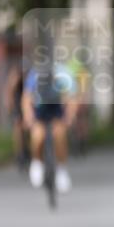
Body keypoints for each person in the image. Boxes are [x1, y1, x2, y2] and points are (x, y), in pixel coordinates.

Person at [21, 61, 79, 193]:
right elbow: (26, 98)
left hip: (57, 111)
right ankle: (37, 162)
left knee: (59, 135)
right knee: (38, 136)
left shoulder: (65, 75)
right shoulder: (35, 75)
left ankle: (61, 170)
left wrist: (69, 117)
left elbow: (72, 98)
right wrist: (28, 117)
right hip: (40, 110)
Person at [6, 64, 30, 172]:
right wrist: (11, 109)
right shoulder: (15, 77)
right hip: (17, 107)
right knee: (18, 131)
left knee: (28, 131)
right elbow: (9, 94)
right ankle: (20, 155)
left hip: (27, 106)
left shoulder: (30, 79)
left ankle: (27, 151)